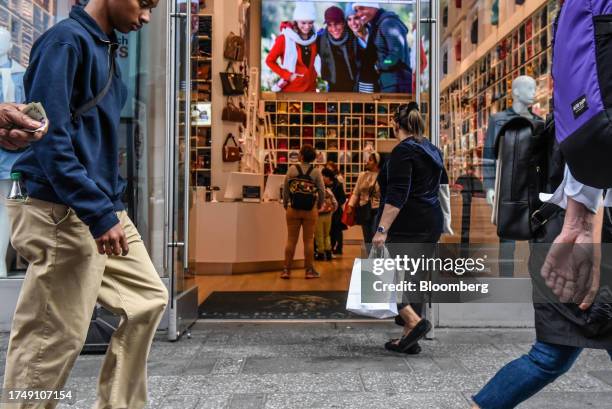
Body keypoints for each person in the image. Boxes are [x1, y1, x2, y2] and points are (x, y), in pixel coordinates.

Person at [1, 2, 169, 409]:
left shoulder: (106, 45)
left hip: (99, 203)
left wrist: (106, 206)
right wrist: (98, 211)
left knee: (147, 299)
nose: (146, 16)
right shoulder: (64, 42)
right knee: (52, 335)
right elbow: (52, 142)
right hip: (60, 206)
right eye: (144, 3)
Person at [373, 103, 447, 354]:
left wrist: (382, 229)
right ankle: (408, 337)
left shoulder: (403, 152)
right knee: (414, 278)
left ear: (395, 125)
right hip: (430, 221)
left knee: (385, 277)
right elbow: (440, 187)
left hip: (407, 223)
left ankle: (415, 322)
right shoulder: (433, 149)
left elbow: (397, 195)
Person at [282, 144, 325, 279]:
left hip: (293, 208)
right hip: (309, 210)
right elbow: (322, 191)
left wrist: (285, 203)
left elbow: (285, 190)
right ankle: (309, 271)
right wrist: (319, 205)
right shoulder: (316, 172)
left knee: (291, 240)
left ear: (301, 155)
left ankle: (286, 270)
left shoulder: (292, 169)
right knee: (308, 241)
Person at [354, 2, 411, 93]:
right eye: (356, 10)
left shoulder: (387, 23)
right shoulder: (377, 25)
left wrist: (379, 65)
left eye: (362, 8)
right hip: (388, 85)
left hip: (397, 85)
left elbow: (394, 57)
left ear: (373, 6)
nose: (359, 13)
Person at [265, 1, 319, 93]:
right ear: (296, 20)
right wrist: (287, 75)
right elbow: (269, 61)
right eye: (303, 23)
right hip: (291, 90)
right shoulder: (285, 38)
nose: (307, 27)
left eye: (310, 23)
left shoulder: (314, 38)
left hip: (311, 90)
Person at [317, 6, 358, 92]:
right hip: (333, 87)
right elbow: (304, 41)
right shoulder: (321, 39)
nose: (334, 29)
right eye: (330, 25)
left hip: (356, 86)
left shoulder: (354, 36)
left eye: (337, 24)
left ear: (343, 22)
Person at [347, 152, 381, 244]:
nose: (367, 162)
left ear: (376, 162)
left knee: (375, 233)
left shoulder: (382, 176)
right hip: (364, 208)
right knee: (367, 236)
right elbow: (356, 192)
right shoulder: (362, 175)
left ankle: (377, 256)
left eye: (370, 160)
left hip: (377, 208)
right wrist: (350, 205)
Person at [345, 3, 378, 93]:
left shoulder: (375, 33)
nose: (353, 23)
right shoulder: (349, 41)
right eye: (349, 19)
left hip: (380, 87)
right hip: (360, 88)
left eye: (356, 18)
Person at [454, 164, 484, 245]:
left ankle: (463, 241)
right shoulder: (477, 180)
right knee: (468, 227)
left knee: (463, 227)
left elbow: (455, 191)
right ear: (474, 171)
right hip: (472, 208)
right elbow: (481, 195)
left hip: (462, 206)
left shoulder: (461, 178)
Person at [315, 168, 340, 261]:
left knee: (319, 235)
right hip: (328, 215)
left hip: (318, 216)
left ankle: (320, 253)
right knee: (327, 234)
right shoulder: (328, 190)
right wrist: (331, 211)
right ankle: (328, 252)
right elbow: (335, 203)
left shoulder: (316, 191)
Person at [321, 167, 346, 259]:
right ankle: (327, 250)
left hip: (336, 213)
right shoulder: (322, 186)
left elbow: (342, 198)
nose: (322, 178)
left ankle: (333, 249)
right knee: (327, 231)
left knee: (335, 231)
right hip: (325, 212)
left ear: (328, 177)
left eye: (324, 176)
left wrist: (334, 205)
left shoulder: (338, 185)